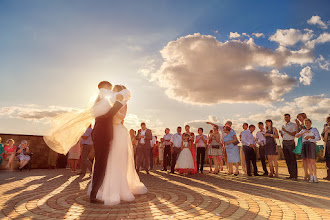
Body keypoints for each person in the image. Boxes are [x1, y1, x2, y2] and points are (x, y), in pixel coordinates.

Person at [88, 84, 147, 205]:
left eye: (115, 91)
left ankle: (114, 189)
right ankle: (101, 190)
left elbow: (120, 116)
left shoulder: (121, 102)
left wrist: (115, 111)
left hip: (117, 132)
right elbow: (107, 115)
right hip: (108, 133)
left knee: (115, 160)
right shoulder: (107, 102)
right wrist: (114, 109)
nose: (112, 92)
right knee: (106, 162)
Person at [296, 118, 321, 183]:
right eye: (305, 123)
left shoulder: (314, 129)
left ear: (310, 123)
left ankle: (315, 176)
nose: (307, 124)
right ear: (304, 124)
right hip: (305, 145)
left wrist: (310, 137)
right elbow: (296, 136)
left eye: (308, 123)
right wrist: (303, 132)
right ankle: (311, 176)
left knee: (312, 161)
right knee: (308, 161)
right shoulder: (303, 130)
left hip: (311, 144)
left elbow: (318, 137)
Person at [279, 114, 298, 180]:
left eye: (287, 117)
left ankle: (295, 175)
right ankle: (291, 175)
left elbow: (294, 134)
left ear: (290, 117)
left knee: (292, 159)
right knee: (287, 159)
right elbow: (283, 135)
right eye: (285, 117)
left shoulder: (293, 125)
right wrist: (281, 133)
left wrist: (285, 131)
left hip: (291, 142)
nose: (286, 118)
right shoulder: (283, 125)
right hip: (284, 142)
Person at [294, 113, 309, 180]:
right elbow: (297, 133)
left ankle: (311, 173)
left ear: (304, 117)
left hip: (307, 141)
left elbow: (305, 129)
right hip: (300, 141)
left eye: (300, 117)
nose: (299, 119)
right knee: (304, 159)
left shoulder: (307, 123)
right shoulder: (299, 124)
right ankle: (306, 174)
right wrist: (297, 126)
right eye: (298, 117)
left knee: (308, 159)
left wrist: (299, 124)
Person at [321, 116, 330, 181]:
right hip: (328, 145)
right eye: (328, 121)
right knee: (328, 161)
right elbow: (324, 139)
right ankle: (328, 176)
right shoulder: (326, 127)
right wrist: (326, 132)